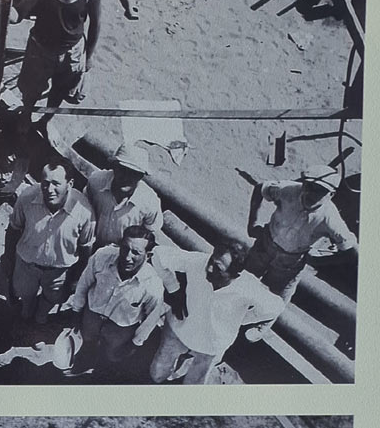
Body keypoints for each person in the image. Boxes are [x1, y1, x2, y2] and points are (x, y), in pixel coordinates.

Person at [244, 165, 358, 340]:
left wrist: (318, 261)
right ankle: (237, 307)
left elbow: (351, 250)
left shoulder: (330, 218)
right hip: (265, 244)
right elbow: (261, 188)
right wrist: (253, 222)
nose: (311, 193)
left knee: (276, 294)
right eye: (308, 185)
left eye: (319, 191)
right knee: (246, 276)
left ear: (331, 195)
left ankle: (263, 324)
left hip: (290, 261)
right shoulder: (289, 190)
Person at [149, 241, 284, 384]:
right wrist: (174, 290)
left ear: (235, 275)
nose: (209, 268)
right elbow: (158, 254)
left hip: (211, 345)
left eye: (218, 268)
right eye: (211, 261)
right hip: (179, 329)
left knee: (194, 384)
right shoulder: (198, 261)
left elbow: (276, 307)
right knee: (157, 373)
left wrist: (243, 320)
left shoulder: (248, 286)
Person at [10, 0, 102, 135]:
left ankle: (46, 119)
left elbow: (95, 25)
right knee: (30, 91)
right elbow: (21, 12)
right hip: (40, 50)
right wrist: (7, 11)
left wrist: (88, 58)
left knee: (59, 91)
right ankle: (25, 116)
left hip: (71, 52)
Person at [4, 158, 94, 323]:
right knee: (24, 293)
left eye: (56, 184)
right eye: (45, 183)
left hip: (59, 272)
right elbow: (13, 229)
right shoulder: (27, 198)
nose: (49, 190)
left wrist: (75, 279)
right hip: (26, 265)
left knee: (53, 298)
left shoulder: (84, 211)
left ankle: (40, 318)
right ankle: (27, 311)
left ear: (70, 183)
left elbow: (85, 248)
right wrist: (7, 259)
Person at [68, 225, 164, 374]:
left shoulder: (153, 285)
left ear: (148, 255)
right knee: (87, 343)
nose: (127, 257)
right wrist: (76, 310)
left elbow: (150, 320)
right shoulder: (101, 257)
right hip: (92, 315)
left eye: (136, 253)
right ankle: (85, 363)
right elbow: (83, 284)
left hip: (121, 328)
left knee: (113, 356)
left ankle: (102, 374)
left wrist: (135, 343)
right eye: (125, 248)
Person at [84, 143, 162, 249]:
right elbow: (82, 211)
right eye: (122, 170)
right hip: (91, 243)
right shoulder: (96, 182)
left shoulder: (150, 201)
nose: (126, 177)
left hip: (124, 253)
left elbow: (150, 234)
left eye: (133, 173)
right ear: (114, 167)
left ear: (141, 176)